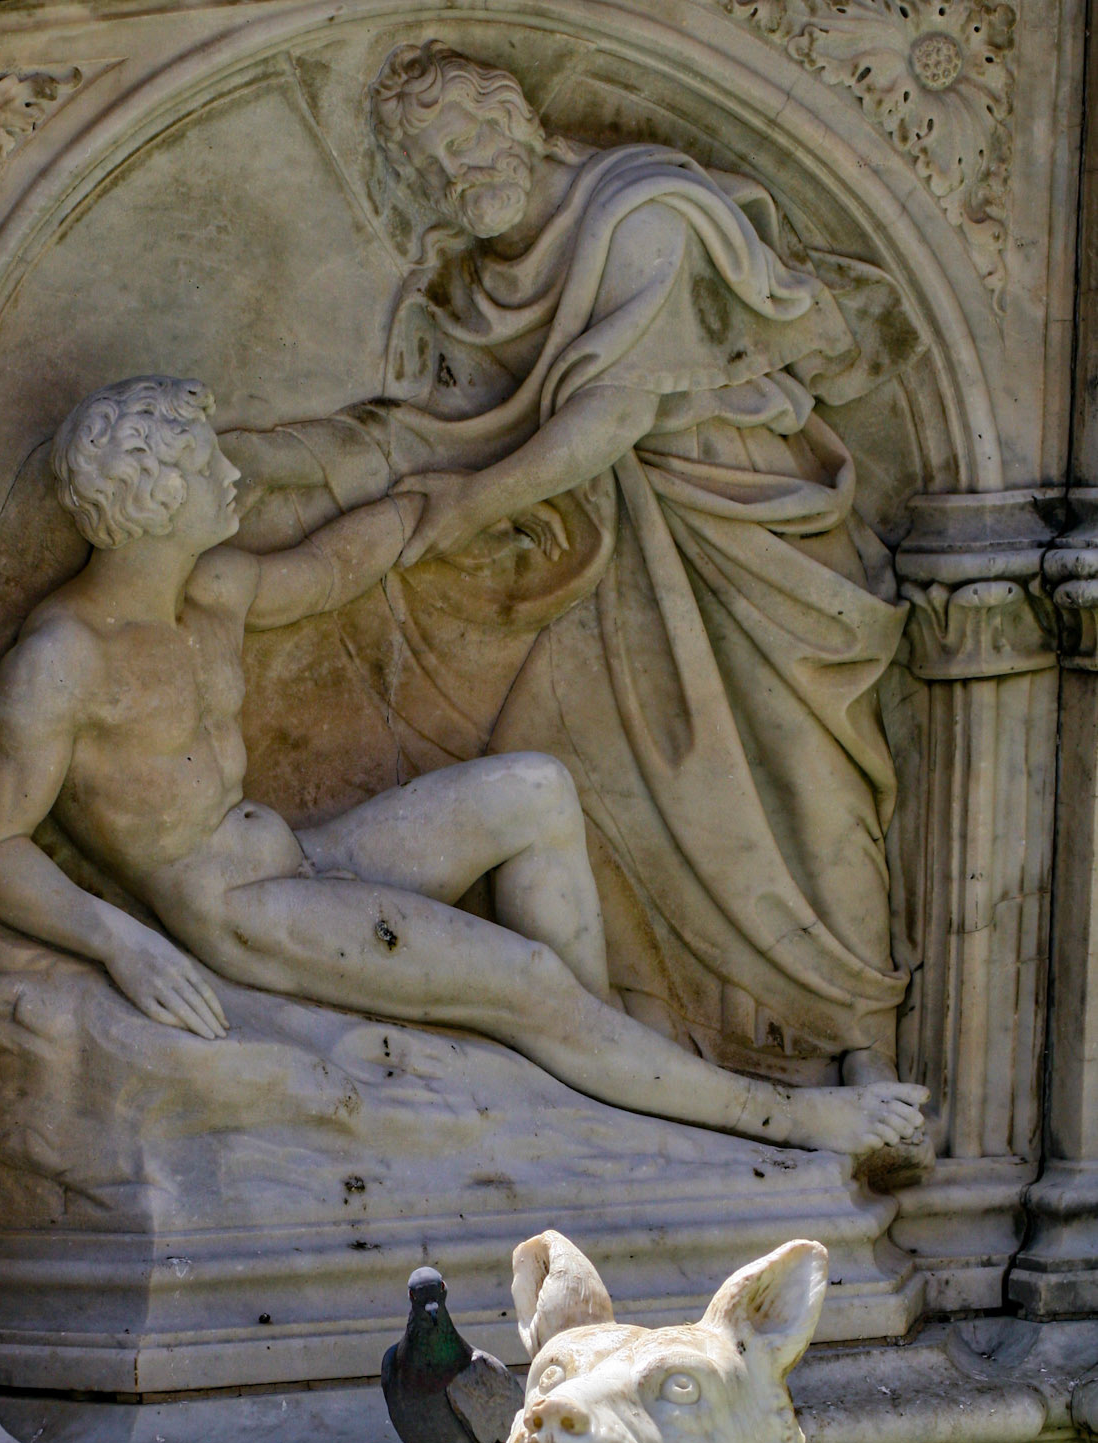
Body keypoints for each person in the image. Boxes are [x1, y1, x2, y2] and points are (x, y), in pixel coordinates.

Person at [0, 374, 926, 1160]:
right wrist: (123, 944)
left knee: (532, 790)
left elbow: (334, 569)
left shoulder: (209, 588)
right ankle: (788, 1120)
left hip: (294, 857)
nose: (232, 473)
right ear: (156, 497)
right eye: (206, 463)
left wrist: (465, 496)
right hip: (242, 916)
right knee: (528, 977)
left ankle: (614, 1072)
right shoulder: (64, 659)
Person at [225, 43, 920, 1091]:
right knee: (569, 770)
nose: (459, 172)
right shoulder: (469, 288)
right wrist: (265, 459)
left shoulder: (642, 212)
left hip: (741, 532)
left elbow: (617, 408)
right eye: (430, 167)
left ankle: (856, 1041)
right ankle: (639, 1059)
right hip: (601, 563)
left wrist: (472, 502)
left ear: (517, 119)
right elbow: (425, 432)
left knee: (797, 782)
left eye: (468, 137)